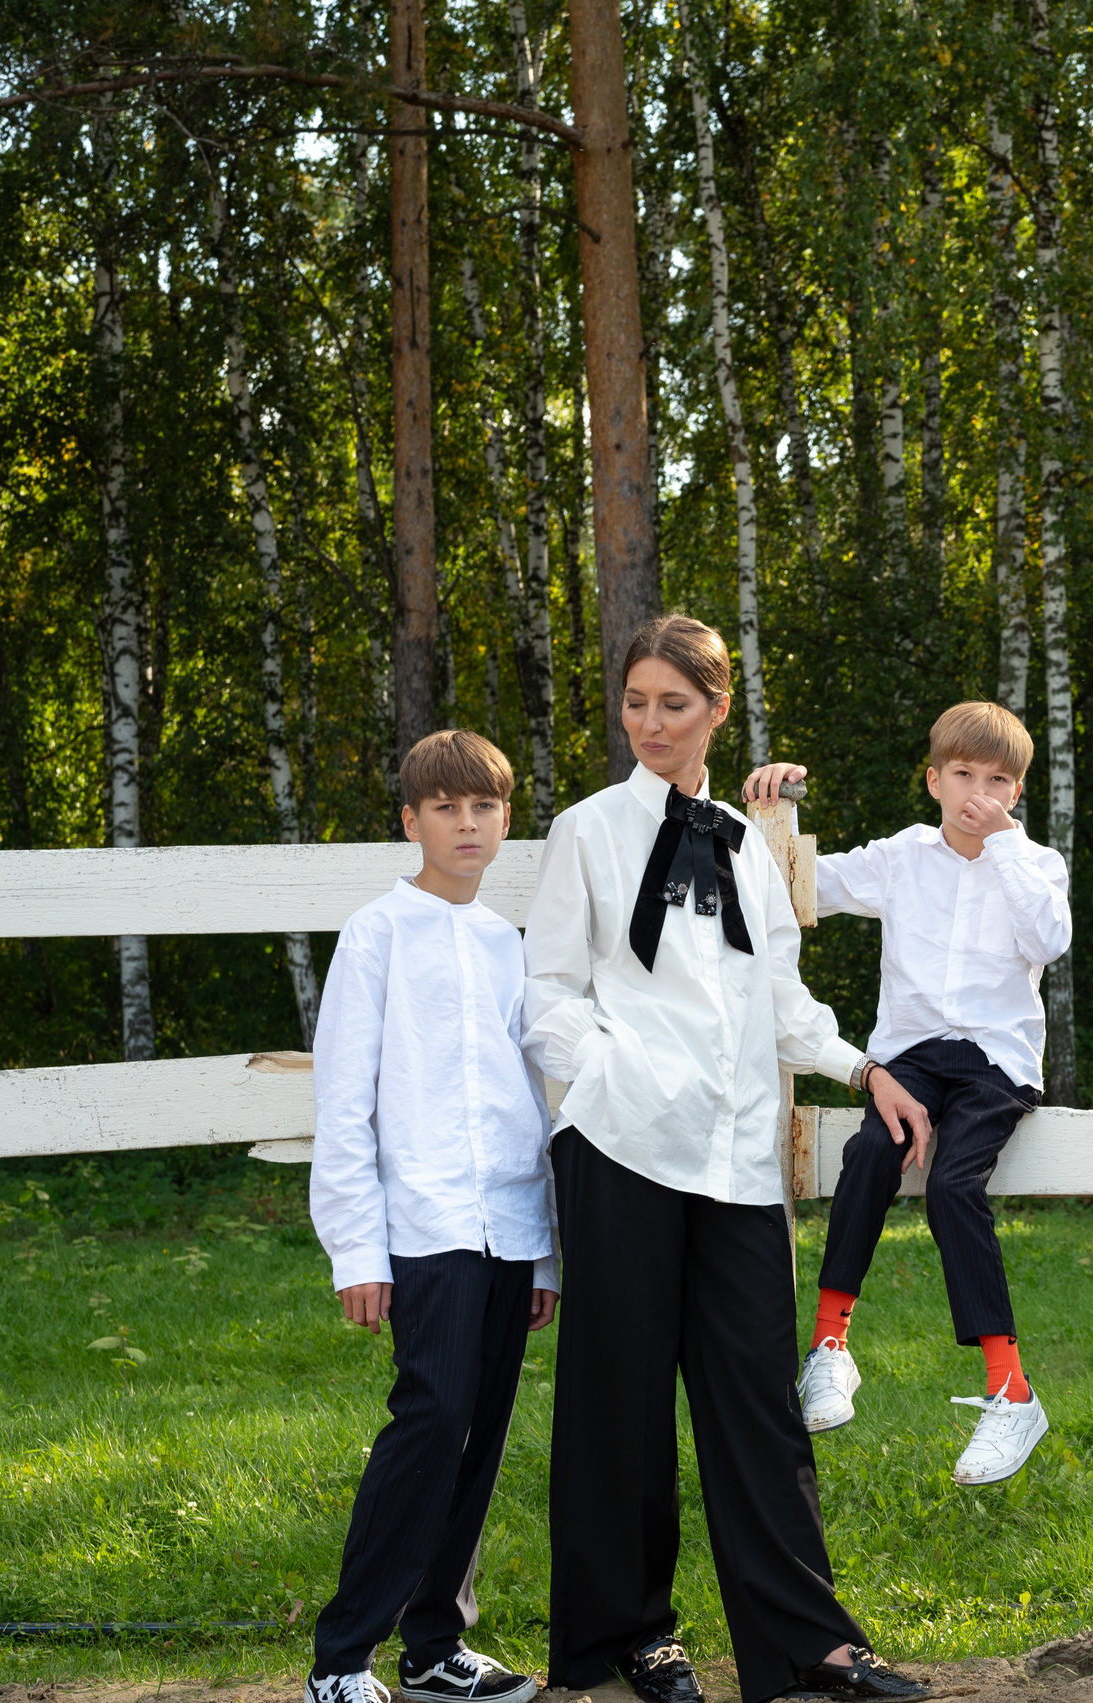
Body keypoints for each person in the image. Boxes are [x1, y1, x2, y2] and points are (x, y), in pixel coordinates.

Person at [523, 615, 931, 1703]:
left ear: (716, 710)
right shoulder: (588, 830)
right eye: (636, 700)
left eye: (673, 703)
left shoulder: (753, 844)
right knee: (619, 1398)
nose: (649, 721)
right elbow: (548, 992)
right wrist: (605, 1075)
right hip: (621, 1146)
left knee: (755, 1395)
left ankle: (809, 1642)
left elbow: (781, 999)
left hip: (741, 1158)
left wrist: (864, 1068)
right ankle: (632, 1636)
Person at [741, 701, 1071, 1488]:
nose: (976, 793)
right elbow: (797, 882)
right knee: (867, 1153)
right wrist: (770, 809)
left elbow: (1048, 941)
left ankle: (1010, 1388)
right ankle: (829, 1347)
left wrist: (1005, 848)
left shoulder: (1034, 862)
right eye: (962, 775)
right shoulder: (903, 857)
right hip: (913, 1060)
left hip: (995, 1061)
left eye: (996, 781)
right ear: (933, 779)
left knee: (955, 1182)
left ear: (1016, 793)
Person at [307, 729, 558, 1703]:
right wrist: (355, 1248)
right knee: (431, 1418)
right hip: (422, 1228)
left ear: (504, 820)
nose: (466, 823)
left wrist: (542, 1258)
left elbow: (526, 1101)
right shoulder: (378, 932)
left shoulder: (507, 942)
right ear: (411, 820)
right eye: (445, 807)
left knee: (481, 1432)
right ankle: (340, 1657)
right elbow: (345, 1100)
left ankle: (435, 1647)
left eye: (483, 806)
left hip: (507, 1231)